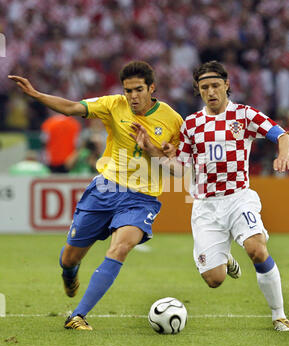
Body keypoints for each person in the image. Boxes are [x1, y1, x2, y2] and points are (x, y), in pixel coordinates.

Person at [8, 61, 183, 330]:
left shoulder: (172, 120)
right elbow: (71, 107)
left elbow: (178, 170)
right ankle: (69, 273)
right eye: (128, 90)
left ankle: (78, 315)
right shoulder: (113, 105)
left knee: (121, 247)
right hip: (105, 190)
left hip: (142, 198)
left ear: (152, 88)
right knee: (69, 258)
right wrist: (37, 95)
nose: (133, 96)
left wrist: (152, 150)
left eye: (138, 90)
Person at [131, 60, 289, 332]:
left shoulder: (244, 115)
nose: (211, 91)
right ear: (198, 90)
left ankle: (279, 316)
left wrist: (283, 155)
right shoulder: (192, 125)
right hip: (206, 206)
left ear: (227, 85)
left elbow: (284, 136)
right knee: (214, 279)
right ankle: (225, 258)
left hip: (239, 197)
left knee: (256, 248)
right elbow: (178, 168)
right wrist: (152, 150)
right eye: (204, 87)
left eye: (215, 85)